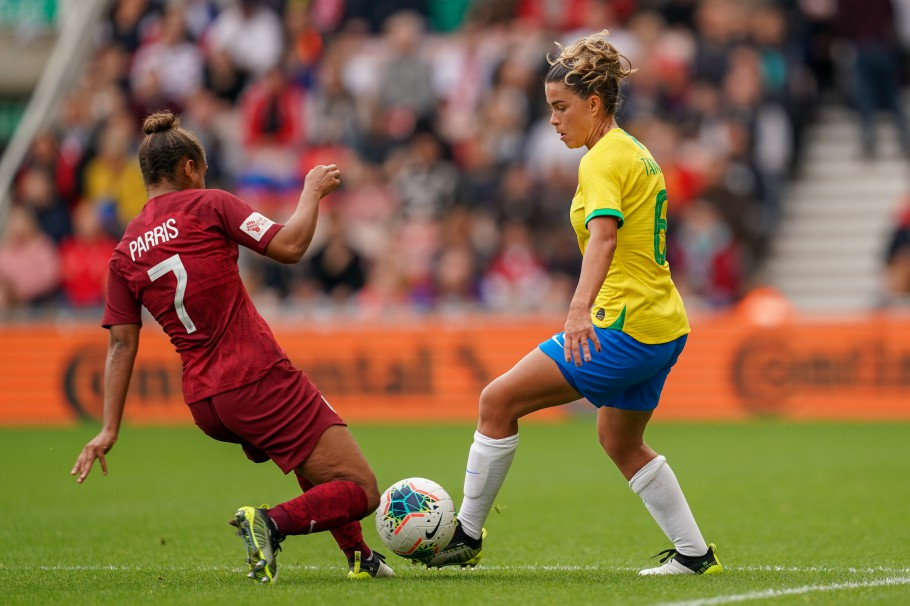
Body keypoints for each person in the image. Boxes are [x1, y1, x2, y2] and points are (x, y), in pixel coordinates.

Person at [423, 30, 722, 576]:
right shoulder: (634, 150)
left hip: (623, 324)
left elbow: (605, 237)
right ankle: (694, 555)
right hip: (662, 323)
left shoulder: (602, 159)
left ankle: (464, 534)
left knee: (497, 402)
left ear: (594, 103)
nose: (554, 121)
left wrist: (578, 310)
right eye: (549, 109)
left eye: (562, 108)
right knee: (618, 439)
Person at [70, 111, 394, 583]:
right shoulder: (209, 204)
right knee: (361, 488)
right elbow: (291, 246)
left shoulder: (124, 251)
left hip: (205, 401)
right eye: (202, 169)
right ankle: (268, 523)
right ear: (188, 168)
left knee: (311, 451)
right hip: (255, 373)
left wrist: (108, 429)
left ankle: (359, 557)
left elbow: (121, 344)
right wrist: (311, 192)